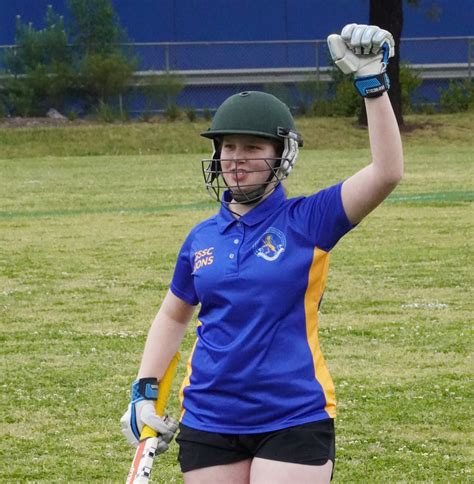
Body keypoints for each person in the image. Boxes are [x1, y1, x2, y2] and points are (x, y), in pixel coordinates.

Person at [120, 23, 403, 483]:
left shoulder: (310, 219)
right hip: (209, 418)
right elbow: (174, 316)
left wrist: (372, 87)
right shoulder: (200, 238)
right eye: (228, 146)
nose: (236, 157)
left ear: (282, 154)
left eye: (252, 146)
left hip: (293, 414)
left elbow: (387, 172)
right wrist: (143, 392)